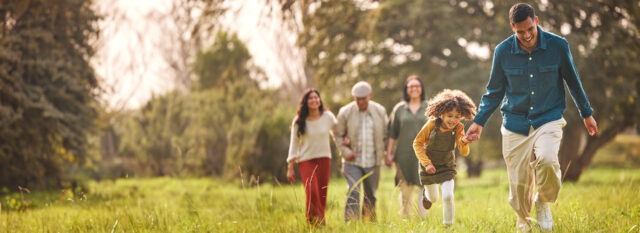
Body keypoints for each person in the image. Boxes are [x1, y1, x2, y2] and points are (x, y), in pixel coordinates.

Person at [464, 3, 598, 232]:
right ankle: (524, 221)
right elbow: (494, 92)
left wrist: (587, 113)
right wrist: (479, 121)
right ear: (512, 28)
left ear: (536, 21)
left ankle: (543, 202)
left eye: (530, 30)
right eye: (520, 32)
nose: (526, 36)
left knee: (547, 159)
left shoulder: (558, 46)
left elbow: (573, 81)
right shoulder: (503, 51)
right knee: (518, 187)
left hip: (549, 117)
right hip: (515, 122)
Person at [413, 89, 477, 227]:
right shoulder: (431, 125)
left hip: (447, 166)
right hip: (429, 167)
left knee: (448, 196)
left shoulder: (459, 128)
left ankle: (448, 226)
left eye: (457, 116)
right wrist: (427, 164)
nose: (453, 120)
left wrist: (465, 142)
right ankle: (427, 196)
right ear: (441, 114)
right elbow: (417, 143)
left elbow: (464, 152)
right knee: (434, 198)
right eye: (450, 116)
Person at [335, 81, 388, 222]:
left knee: (370, 195)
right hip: (352, 161)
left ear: (369, 96)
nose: (360, 102)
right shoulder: (345, 112)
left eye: (363, 98)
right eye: (357, 99)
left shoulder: (380, 111)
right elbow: (337, 135)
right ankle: (351, 225)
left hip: (373, 161)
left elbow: (386, 135)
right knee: (353, 192)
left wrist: (386, 153)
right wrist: (346, 152)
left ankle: (368, 224)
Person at [286, 88, 337, 226]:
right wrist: (290, 166)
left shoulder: (328, 117)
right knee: (311, 191)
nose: (314, 100)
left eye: (316, 97)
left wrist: (345, 142)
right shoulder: (299, 121)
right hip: (306, 160)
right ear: (305, 102)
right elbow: (294, 144)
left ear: (319, 100)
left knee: (322, 192)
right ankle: (315, 223)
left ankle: (319, 223)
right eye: (311, 98)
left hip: (324, 159)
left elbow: (338, 132)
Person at [386, 75, 429, 217]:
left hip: (424, 154)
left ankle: (423, 219)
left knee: (424, 187)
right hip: (403, 155)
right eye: (411, 86)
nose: (414, 88)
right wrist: (389, 154)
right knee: (405, 188)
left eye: (417, 86)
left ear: (421, 89)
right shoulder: (399, 109)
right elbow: (392, 133)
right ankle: (406, 218)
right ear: (406, 90)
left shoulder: (429, 107)